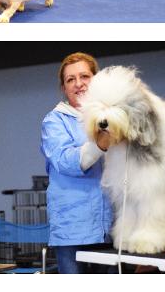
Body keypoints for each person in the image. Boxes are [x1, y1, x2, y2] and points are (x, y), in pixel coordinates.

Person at [41, 52, 114, 274]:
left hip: (111, 226)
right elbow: (66, 161)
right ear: (63, 88)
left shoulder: (115, 116)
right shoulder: (54, 120)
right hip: (72, 230)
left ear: (96, 80)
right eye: (70, 79)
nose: (78, 84)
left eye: (85, 76)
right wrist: (100, 144)